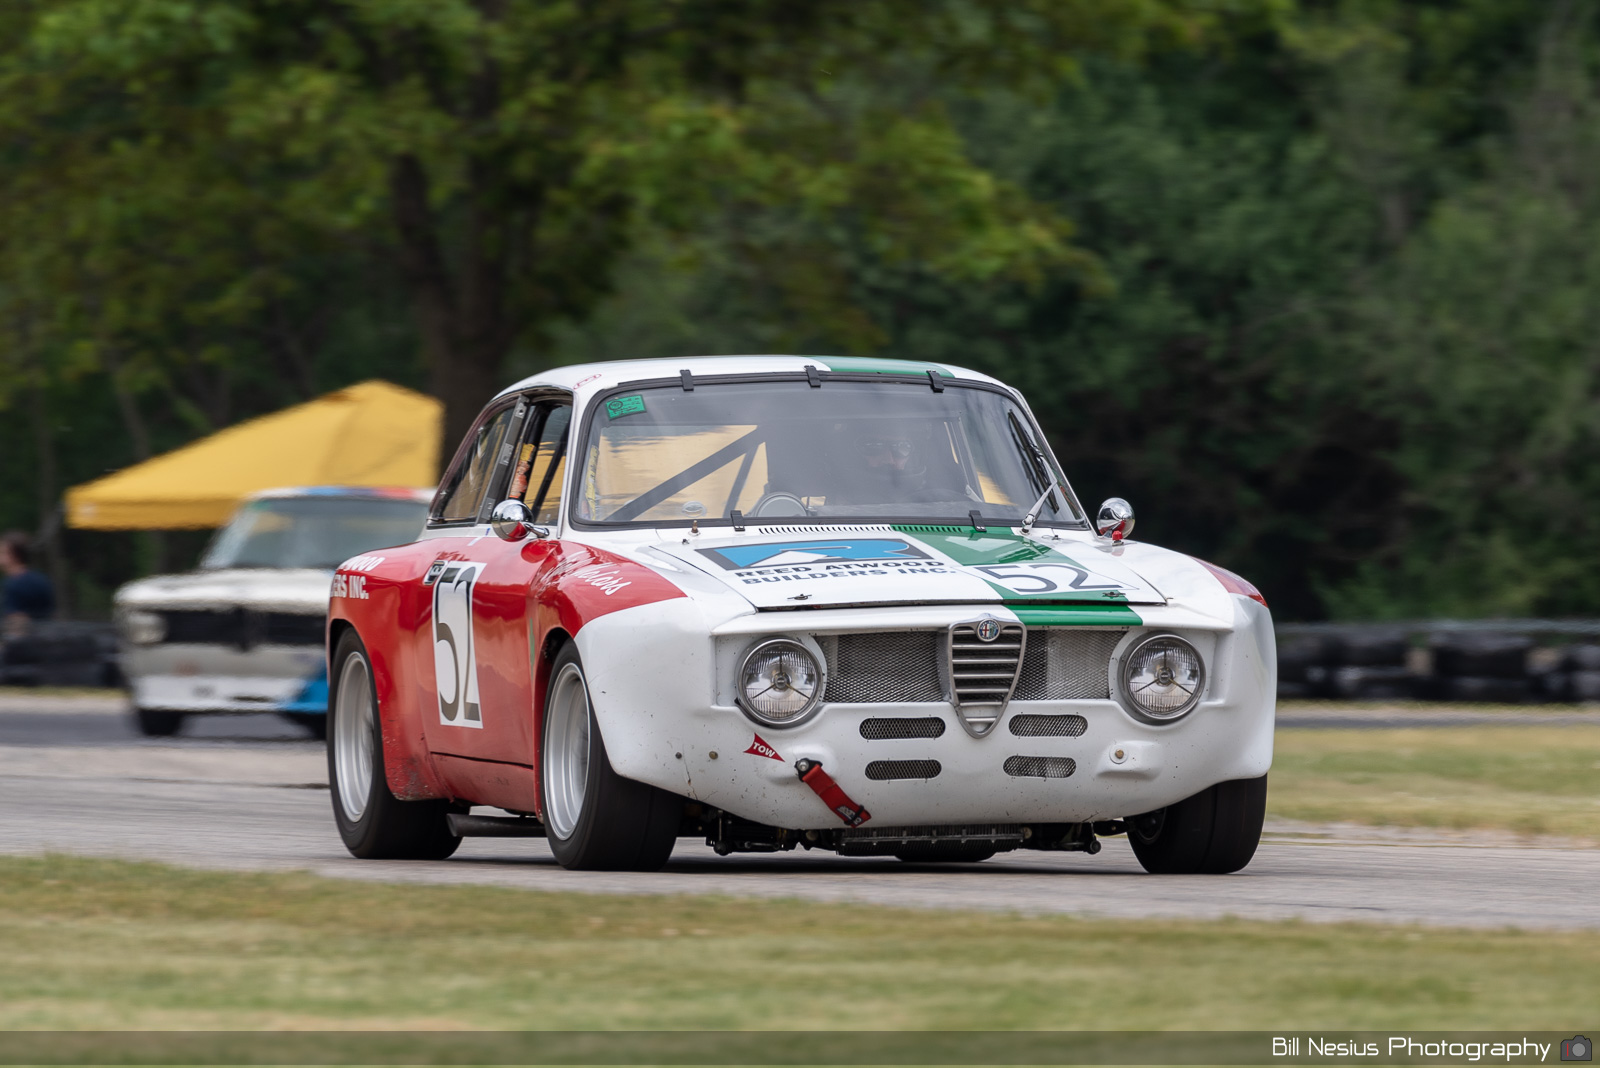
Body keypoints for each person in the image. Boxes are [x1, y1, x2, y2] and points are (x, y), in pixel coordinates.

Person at [1, 531, 55, 635]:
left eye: (2, 552)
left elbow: (17, 627)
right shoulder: (42, 579)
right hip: (45, 641)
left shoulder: (15, 584)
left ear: (14, 556)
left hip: (24, 646)